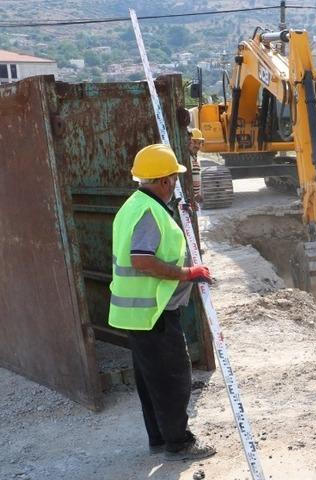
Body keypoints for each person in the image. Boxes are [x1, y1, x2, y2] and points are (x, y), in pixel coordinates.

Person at [108, 144, 216, 461]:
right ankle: (178, 443)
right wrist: (187, 273)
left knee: (151, 379)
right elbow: (142, 260)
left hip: (139, 313)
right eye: (173, 179)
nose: (175, 184)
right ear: (165, 181)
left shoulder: (134, 205)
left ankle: (159, 438)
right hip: (153, 312)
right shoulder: (148, 211)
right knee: (173, 378)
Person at [188, 128, 204, 208]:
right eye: (194, 142)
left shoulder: (193, 158)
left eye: (199, 143)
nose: (197, 145)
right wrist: (192, 198)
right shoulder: (187, 159)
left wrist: (197, 194)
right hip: (189, 201)